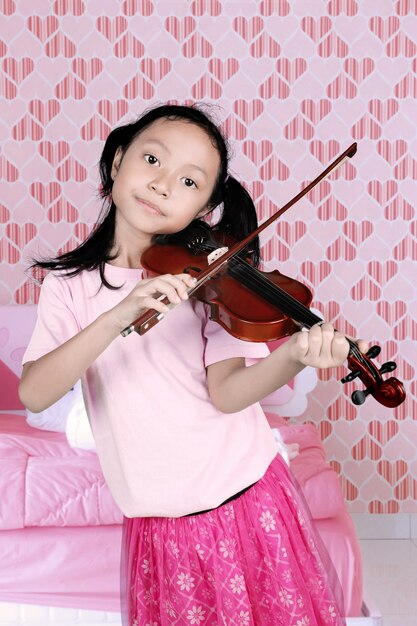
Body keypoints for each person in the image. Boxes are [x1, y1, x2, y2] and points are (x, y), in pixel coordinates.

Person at [19, 103, 365, 626]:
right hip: (158, 523)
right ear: (117, 161)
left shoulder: (211, 285)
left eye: (187, 181)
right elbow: (35, 394)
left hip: (244, 499)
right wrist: (119, 315)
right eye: (151, 159)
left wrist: (295, 353)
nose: (161, 185)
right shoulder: (69, 289)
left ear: (203, 208)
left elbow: (228, 394)